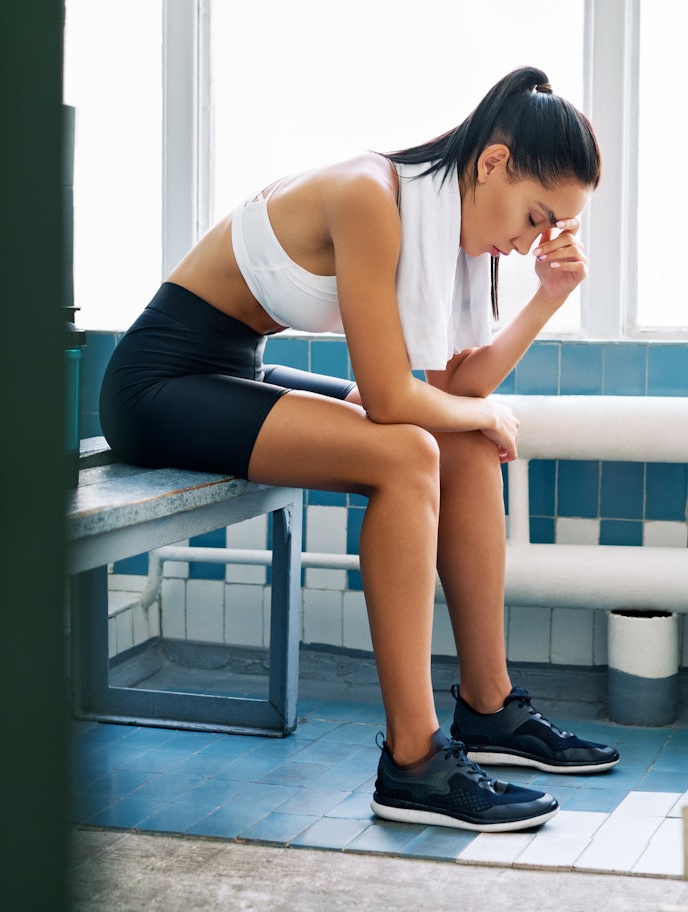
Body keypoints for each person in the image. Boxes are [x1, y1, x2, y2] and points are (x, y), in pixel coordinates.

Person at [101, 67, 620, 833]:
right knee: (411, 451)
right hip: (159, 384)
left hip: (229, 369)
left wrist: (545, 296)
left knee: (463, 443)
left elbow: (462, 384)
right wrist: (479, 414)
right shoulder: (371, 197)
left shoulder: (459, 227)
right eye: (538, 217)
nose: (534, 240)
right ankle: (413, 761)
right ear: (493, 163)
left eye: (552, 230)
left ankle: (490, 707)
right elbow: (388, 399)